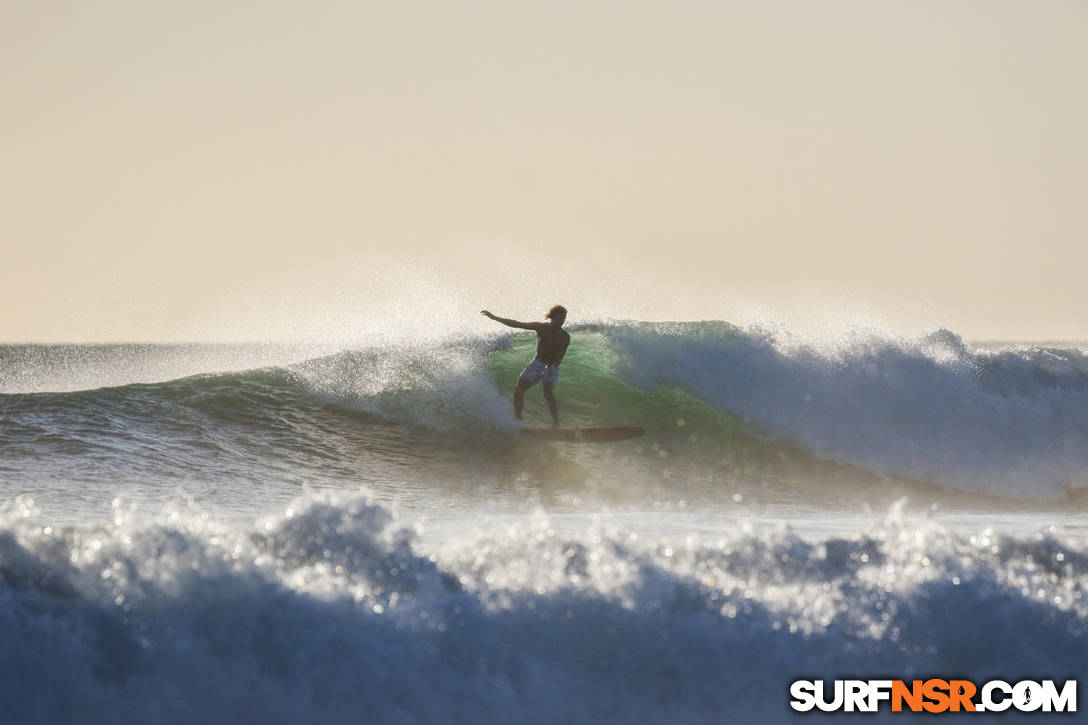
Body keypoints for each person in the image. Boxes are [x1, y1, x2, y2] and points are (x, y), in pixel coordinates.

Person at [481, 305, 570, 426]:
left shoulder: (565, 337)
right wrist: (495, 317)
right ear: (552, 317)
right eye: (560, 318)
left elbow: (560, 357)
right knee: (519, 390)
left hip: (552, 367)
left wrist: (552, 366)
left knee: (548, 394)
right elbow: (518, 324)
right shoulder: (542, 327)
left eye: (564, 318)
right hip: (537, 364)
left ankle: (556, 424)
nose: (562, 321)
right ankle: (518, 420)